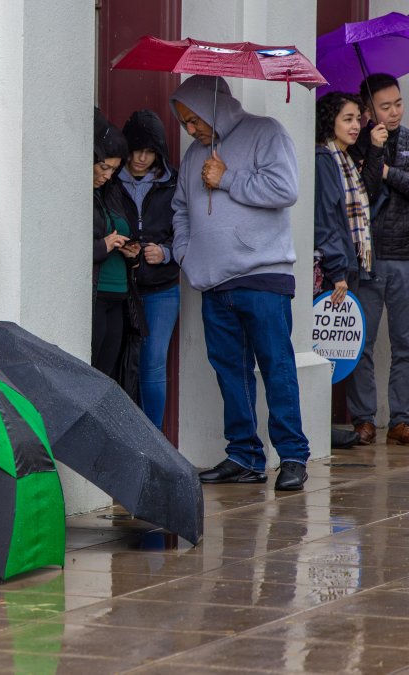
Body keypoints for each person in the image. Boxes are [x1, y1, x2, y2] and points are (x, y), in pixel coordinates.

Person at [169, 75, 309, 491]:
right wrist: (185, 253)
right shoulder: (195, 155)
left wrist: (227, 178)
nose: (191, 130)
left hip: (263, 275)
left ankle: (293, 456)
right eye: (185, 124)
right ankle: (245, 455)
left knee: (276, 366)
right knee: (231, 371)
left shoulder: (266, 132)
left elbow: (286, 189)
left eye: (194, 120)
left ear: (213, 106)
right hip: (213, 281)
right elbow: (181, 208)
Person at [345, 74, 409, 448]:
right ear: (368, 109)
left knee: (405, 344)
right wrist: (373, 155)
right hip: (367, 259)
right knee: (362, 342)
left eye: (398, 104)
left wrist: (392, 172)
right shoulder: (355, 145)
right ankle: (363, 419)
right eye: (385, 107)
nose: (394, 113)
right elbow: (360, 194)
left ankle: (402, 420)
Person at [314, 91, 383, 450]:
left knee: (347, 344)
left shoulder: (344, 158)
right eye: (348, 119)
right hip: (335, 268)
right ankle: (319, 425)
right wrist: (338, 269)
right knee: (327, 345)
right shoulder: (325, 159)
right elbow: (327, 218)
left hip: (352, 263)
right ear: (331, 122)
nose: (356, 125)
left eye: (358, 118)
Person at [111, 109, 180, 431]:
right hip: (119, 286)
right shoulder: (109, 181)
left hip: (161, 288)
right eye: (136, 150)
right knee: (119, 361)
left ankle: (153, 438)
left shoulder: (173, 183)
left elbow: (188, 231)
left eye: (149, 151)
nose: (141, 158)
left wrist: (165, 252)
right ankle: (124, 435)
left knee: (152, 365)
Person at [91, 110, 142, 391]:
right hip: (95, 297)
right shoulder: (77, 194)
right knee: (91, 369)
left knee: (107, 376)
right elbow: (68, 249)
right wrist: (104, 246)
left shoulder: (110, 192)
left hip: (119, 296)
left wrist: (132, 254)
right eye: (103, 168)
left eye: (113, 170)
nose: (107, 175)